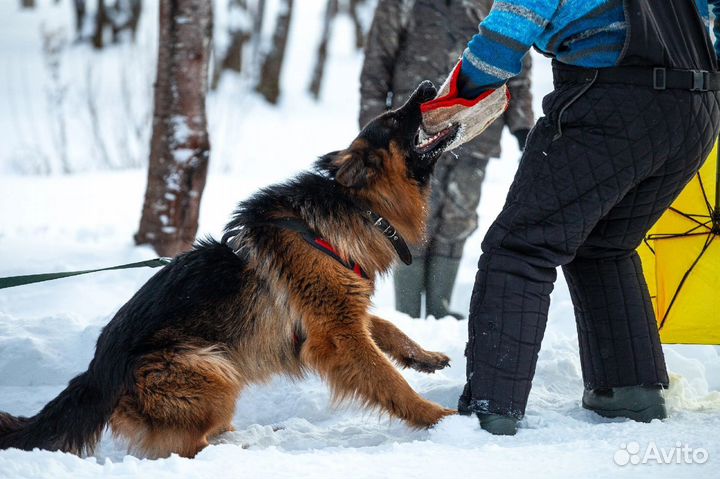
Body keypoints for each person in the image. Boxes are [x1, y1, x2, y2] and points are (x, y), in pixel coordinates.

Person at [420, 0, 720, 435]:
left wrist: (453, 99)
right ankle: (630, 390)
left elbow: (507, 32)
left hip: (613, 102)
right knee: (605, 243)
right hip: (696, 112)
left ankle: (492, 408)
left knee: (520, 247)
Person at [359, 0, 534, 320]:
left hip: (475, 129)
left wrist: (522, 125)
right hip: (414, 133)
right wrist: (374, 130)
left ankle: (439, 311)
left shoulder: (497, 2)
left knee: (458, 218)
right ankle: (408, 315)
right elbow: (376, 63)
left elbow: (517, 60)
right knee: (411, 218)